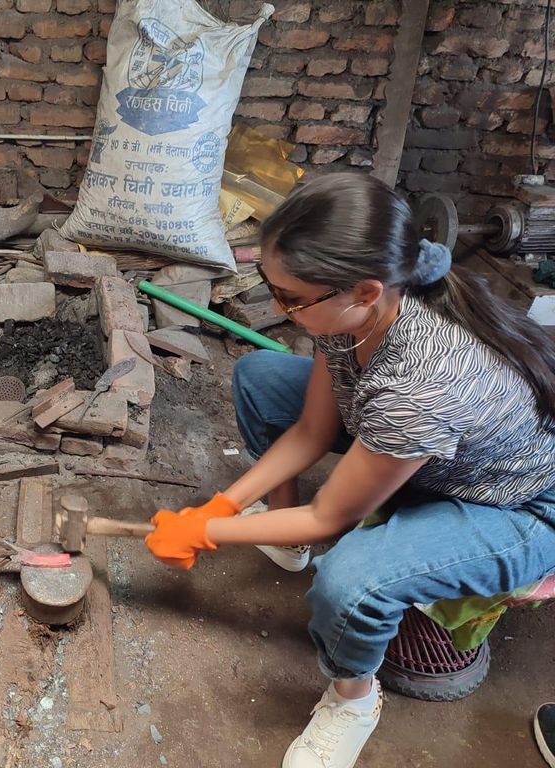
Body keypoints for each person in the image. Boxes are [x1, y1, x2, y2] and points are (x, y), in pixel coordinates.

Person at [144, 172, 555, 767]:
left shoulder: (422, 379)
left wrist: (202, 532)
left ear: (363, 290)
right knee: (260, 378)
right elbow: (311, 430)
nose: (280, 309)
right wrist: (224, 507)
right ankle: (276, 533)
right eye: (271, 286)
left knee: (351, 582)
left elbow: (329, 516)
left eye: (291, 298)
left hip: (516, 506)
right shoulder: (353, 317)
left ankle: (354, 699)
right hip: (431, 449)